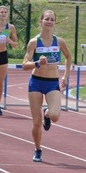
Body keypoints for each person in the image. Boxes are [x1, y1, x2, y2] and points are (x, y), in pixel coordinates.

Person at [22, 10, 71, 162]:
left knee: (55, 115)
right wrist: (37, 63)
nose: (49, 22)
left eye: (52, 19)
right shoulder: (34, 42)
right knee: (36, 123)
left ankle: (47, 113)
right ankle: (38, 149)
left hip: (52, 83)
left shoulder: (60, 41)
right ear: (41, 21)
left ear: (55, 22)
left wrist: (65, 76)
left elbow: (69, 57)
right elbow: (24, 65)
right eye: (47, 19)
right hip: (36, 82)